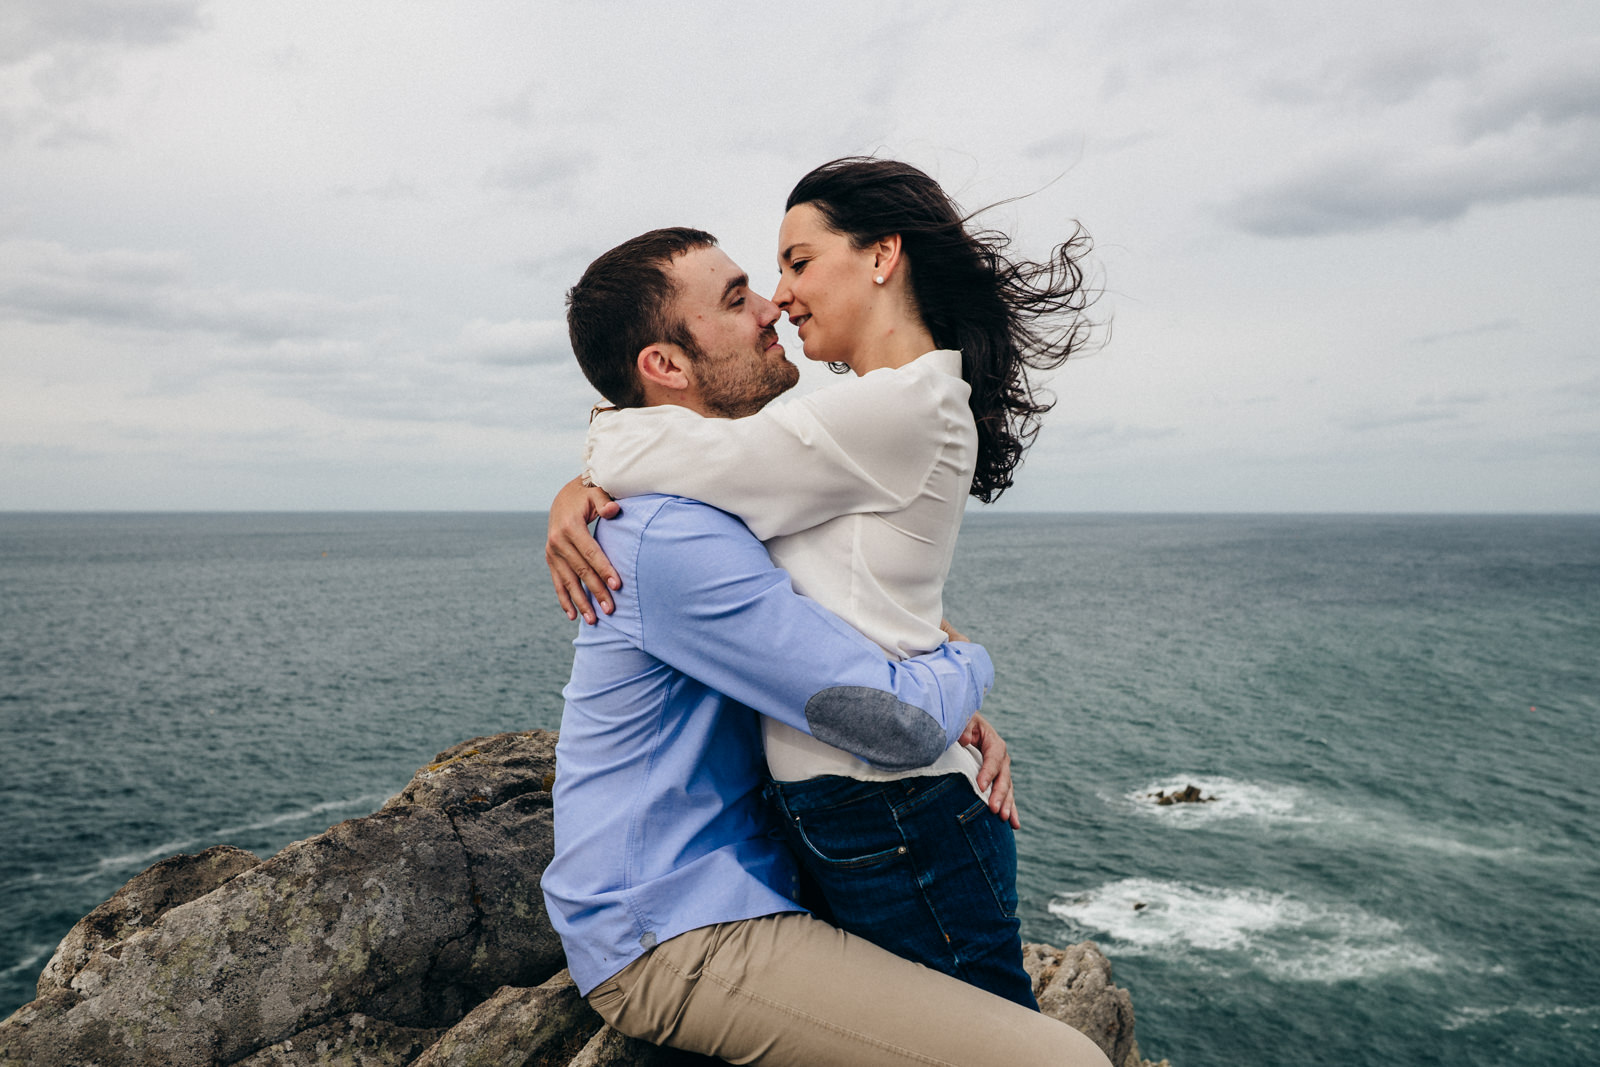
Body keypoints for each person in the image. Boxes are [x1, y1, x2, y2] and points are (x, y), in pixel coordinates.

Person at [539, 228, 1111, 1067]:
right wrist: (967, 666)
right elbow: (884, 717)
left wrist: (576, 480)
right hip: (672, 929)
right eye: (738, 299)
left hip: (737, 889)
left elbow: (828, 615)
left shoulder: (710, 506)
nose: (773, 304)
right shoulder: (670, 536)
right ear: (666, 365)